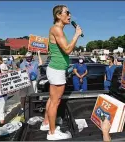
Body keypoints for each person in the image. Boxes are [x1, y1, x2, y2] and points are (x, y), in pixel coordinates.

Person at [40, 5, 83, 140]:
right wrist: (76, 35)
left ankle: (46, 123)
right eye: (67, 13)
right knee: (55, 102)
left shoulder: (58, 29)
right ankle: (52, 133)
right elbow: (67, 50)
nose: (70, 15)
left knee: (52, 100)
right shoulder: (57, 29)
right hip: (57, 70)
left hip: (56, 69)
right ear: (59, 15)